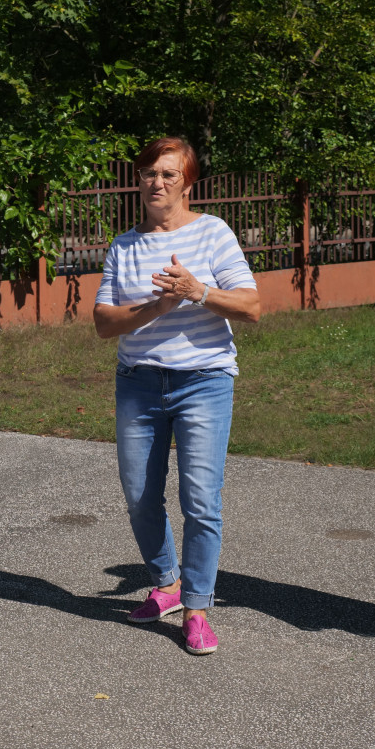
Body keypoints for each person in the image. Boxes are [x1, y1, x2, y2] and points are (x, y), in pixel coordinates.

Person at [93, 137, 260, 655]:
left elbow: (252, 306)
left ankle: (197, 607)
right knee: (141, 497)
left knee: (201, 500)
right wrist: (157, 307)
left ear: (187, 182)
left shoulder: (213, 233)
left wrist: (198, 292)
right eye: (148, 173)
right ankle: (166, 583)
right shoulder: (124, 245)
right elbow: (103, 323)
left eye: (168, 174)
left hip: (203, 382)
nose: (156, 183)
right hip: (139, 383)